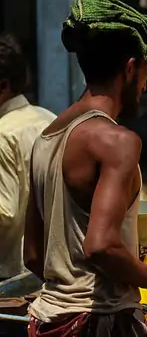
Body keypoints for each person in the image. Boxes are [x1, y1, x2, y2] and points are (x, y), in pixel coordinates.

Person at [23, 0, 147, 337]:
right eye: (146, 72)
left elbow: (33, 254)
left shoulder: (45, 139)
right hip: (98, 323)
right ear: (130, 68)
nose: (145, 85)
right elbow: (101, 245)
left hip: (47, 320)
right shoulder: (117, 140)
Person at [0, 33, 56, 281]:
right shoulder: (49, 118)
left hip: (11, 275)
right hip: (52, 268)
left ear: (3, 86)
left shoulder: (3, 134)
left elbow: (5, 214)